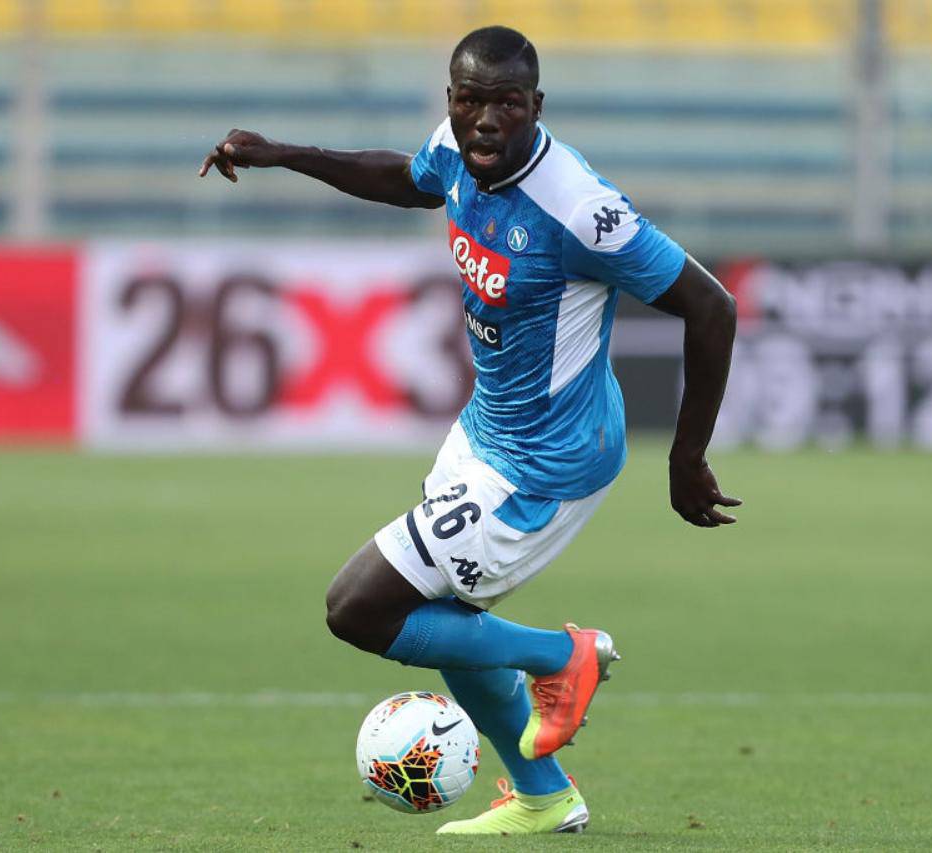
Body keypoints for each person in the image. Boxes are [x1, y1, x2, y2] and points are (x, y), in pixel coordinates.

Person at [199, 25, 740, 835]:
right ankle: (546, 795)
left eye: (507, 105)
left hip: (545, 465)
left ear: (537, 107)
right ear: (451, 100)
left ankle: (566, 656)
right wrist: (284, 153)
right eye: (470, 101)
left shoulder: (580, 209)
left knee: (358, 609)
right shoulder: (458, 148)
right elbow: (409, 180)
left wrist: (688, 453)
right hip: (487, 432)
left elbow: (712, 305)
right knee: (443, 614)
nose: (486, 121)